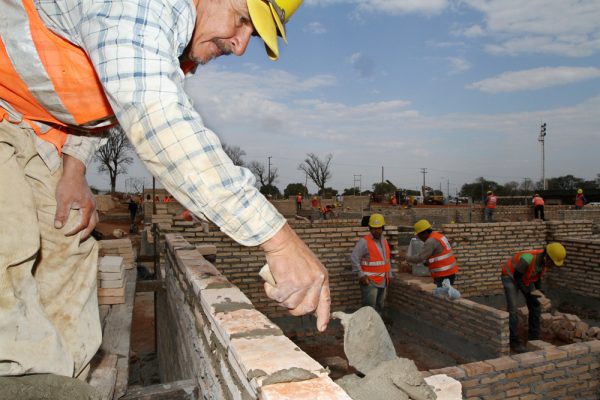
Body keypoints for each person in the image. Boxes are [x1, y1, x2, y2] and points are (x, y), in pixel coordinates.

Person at [0, 0, 330, 383]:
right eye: (242, 21)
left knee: (66, 250)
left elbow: (96, 104)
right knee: (10, 240)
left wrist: (74, 169)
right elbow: (160, 122)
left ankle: (63, 383)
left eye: (251, 36)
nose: (240, 46)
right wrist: (279, 241)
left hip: (36, 132)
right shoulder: (143, 6)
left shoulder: (168, 44)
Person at [501, 243, 566, 353]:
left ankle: (534, 339)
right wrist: (528, 293)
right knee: (512, 310)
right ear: (546, 256)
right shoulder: (528, 258)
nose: (552, 266)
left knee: (535, 304)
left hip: (525, 278)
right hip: (510, 276)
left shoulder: (543, 263)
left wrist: (539, 293)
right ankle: (514, 342)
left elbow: (536, 278)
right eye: (552, 263)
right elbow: (517, 277)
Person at [351, 214, 391, 314]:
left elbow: (386, 260)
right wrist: (361, 274)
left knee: (380, 305)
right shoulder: (364, 242)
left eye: (379, 228)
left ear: (382, 228)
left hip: (383, 280)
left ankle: (377, 326)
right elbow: (354, 257)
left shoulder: (384, 241)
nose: (376, 231)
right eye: (373, 228)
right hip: (369, 281)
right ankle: (367, 327)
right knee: (369, 307)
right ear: (370, 228)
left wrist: (389, 275)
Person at [405, 219, 459, 287]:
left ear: (424, 233)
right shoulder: (438, 235)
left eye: (419, 235)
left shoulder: (430, 241)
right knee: (445, 293)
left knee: (441, 295)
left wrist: (406, 258)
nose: (419, 237)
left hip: (443, 274)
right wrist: (429, 261)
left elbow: (420, 258)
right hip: (450, 271)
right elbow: (439, 253)